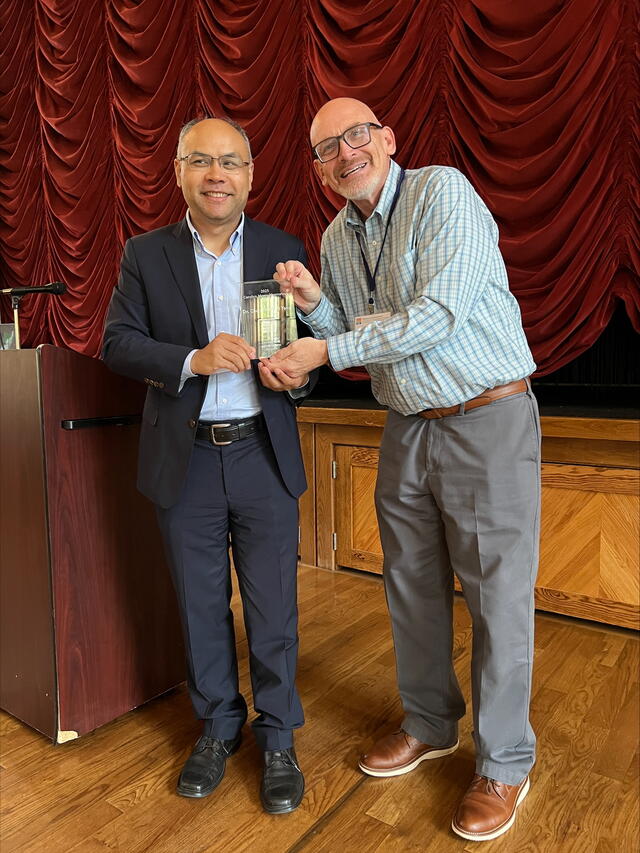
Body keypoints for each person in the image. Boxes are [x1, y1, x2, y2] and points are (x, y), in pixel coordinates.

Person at [267, 98, 540, 842]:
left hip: (486, 415)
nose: (345, 152)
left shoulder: (442, 191)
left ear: (387, 138)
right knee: (412, 589)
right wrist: (316, 305)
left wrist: (328, 346)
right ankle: (430, 722)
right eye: (326, 147)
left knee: (498, 598)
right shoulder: (335, 234)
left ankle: (507, 761)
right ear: (320, 169)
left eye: (356, 135)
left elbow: (437, 315)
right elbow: (360, 331)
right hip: (407, 426)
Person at [102, 117, 312, 815]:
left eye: (230, 162)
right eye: (202, 161)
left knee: (273, 607)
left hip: (263, 452)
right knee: (200, 605)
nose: (216, 174)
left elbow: (307, 354)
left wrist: (294, 377)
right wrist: (191, 359)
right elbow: (118, 343)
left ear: (250, 175)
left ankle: (277, 735)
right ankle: (219, 725)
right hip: (184, 459)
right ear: (179, 172)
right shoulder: (145, 253)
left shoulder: (281, 250)